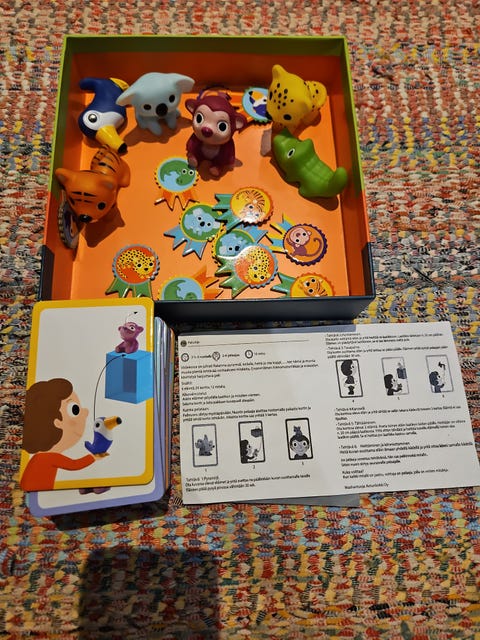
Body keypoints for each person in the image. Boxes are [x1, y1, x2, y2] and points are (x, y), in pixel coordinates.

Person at [20, 378, 96, 491]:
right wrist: (93, 457)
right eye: (75, 410)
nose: (86, 412)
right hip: (38, 492)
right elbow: (74, 465)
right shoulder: (49, 457)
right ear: (57, 423)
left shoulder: (39, 457)